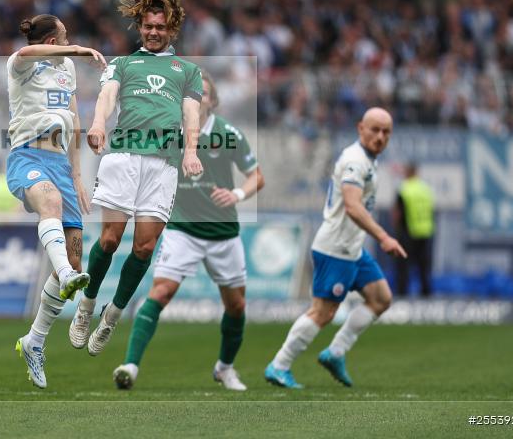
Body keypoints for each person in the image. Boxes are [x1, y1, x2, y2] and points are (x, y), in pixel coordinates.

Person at [69, 0, 203, 356]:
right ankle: (86, 306)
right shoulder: (123, 64)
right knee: (110, 240)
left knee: (144, 247)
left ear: (171, 29)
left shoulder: (188, 71)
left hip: (163, 165)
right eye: (148, 26)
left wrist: (191, 151)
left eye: (160, 27)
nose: (154, 32)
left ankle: (112, 316)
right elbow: (107, 96)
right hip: (123, 157)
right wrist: (97, 124)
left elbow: (191, 114)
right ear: (140, 27)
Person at [112, 70, 264, 391]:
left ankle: (225, 368)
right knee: (161, 292)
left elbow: (256, 176)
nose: (198, 99)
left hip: (223, 233)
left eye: (204, 93)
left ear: (214, 101)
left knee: (236, 306)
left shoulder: (229, 133)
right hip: (182, 230)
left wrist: (236, 195)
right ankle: (130, 365)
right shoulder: (170, 132)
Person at [265, 107, 407, 389]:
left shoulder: (369, 159)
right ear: (360, 128)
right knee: (323, 312)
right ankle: (279, 365)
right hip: (336, 248)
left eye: (386, 131)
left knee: (381, 298)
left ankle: (336, 352)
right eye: (374, 129)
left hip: (353, 249)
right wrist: (383, 237)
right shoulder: (356, 161)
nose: (380, 136)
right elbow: (353, 206)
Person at [6, 14, 106, 389]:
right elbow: (25, 50)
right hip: (27, 157)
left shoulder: (65, 67)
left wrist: (78, 176)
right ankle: (64, 273)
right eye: (64, 37)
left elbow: (74, 120)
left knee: (76, 256)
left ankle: (34, 341)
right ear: (53, 41)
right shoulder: (20, 65)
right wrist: (80, 49)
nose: (70, 41)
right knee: (48, 203)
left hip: (61, 165)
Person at [393, 162, 435, 297]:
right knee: (424, 269)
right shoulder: (426, 189)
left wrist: (396, 230)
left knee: (403, 268)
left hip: (408, 232)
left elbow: (397, 213)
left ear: (407, 173)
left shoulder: (404, 189)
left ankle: (402, 296)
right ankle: (426, 297)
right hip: (426, 232)